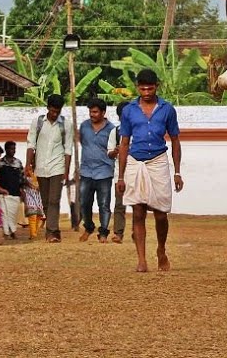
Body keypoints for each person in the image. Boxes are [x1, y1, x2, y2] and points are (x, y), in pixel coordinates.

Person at [116, 69, 184, 272]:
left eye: (150, 88)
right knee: (137, 211)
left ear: (157, 86)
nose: (146, 92)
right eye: (143, 88)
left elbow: (175, 140)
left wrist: (177, 172)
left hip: (158, 161)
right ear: (138, 87)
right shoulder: (129, 110)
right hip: (135, 162)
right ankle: (141, 259)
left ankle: (161, 250)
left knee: (161, 213)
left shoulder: (167, 109)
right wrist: (120, 176)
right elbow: (124, 143)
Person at [26, 94, 73, 243]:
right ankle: (54, 231)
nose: (54, 114)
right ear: (47, 108)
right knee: (45, 201)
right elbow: (31, 144)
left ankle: (51, 232)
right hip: (40, 167)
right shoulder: (37, 122)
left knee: (54, 200)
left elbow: (68, 149)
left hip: (57, 167)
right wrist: (28, 164)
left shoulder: (66, 125)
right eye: (52, 111)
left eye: (57, 112)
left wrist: (66, 171)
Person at [76, 98, 118, 243]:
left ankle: (104, 232)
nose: (92, 114)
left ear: (103, 112)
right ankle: (88, 227)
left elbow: (113, 149)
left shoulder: (112, 129)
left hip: (104, 172)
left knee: (104, 204)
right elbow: (82, 142)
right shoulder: (84, 126)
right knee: (83, 203)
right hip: (86, 171)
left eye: (95, 112)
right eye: (90, 112)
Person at [110, 100, 130, 244]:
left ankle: (137, 232)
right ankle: (118, 233)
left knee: (139, 205)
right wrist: (116, 151)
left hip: (137, 172)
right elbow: (109, 153)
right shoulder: (115, 132)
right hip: (120, 174)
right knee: (119, 204)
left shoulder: (139, 130)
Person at [0, 141, 25, 240]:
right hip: (3, 192)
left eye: (14, 149)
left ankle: (13, 230)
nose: (13, 151)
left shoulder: (18, 163)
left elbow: (22, 178)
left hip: (15, 192)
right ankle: (6, 232)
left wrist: (22, 190)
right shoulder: (0, 163)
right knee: (4, 213)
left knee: (13, 214)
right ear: (6, 149)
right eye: (11, 149)